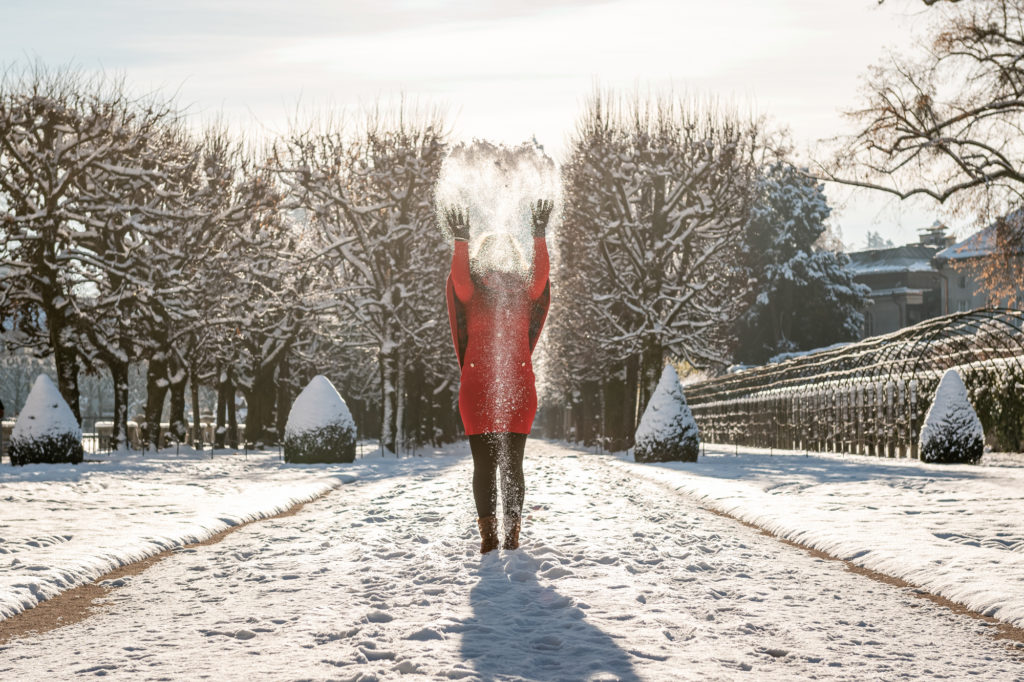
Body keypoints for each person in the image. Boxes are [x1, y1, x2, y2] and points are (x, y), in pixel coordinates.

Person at [445, 201, 552, 553]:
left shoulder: (523, 292)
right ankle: (490, 537)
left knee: (512, 466)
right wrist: (461, 240)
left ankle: (511, 535)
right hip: (479, 390)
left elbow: (540, 279)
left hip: (517, 389)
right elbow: (459, 280)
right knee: (485, 466)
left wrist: (539, 235)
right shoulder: (474, 293)